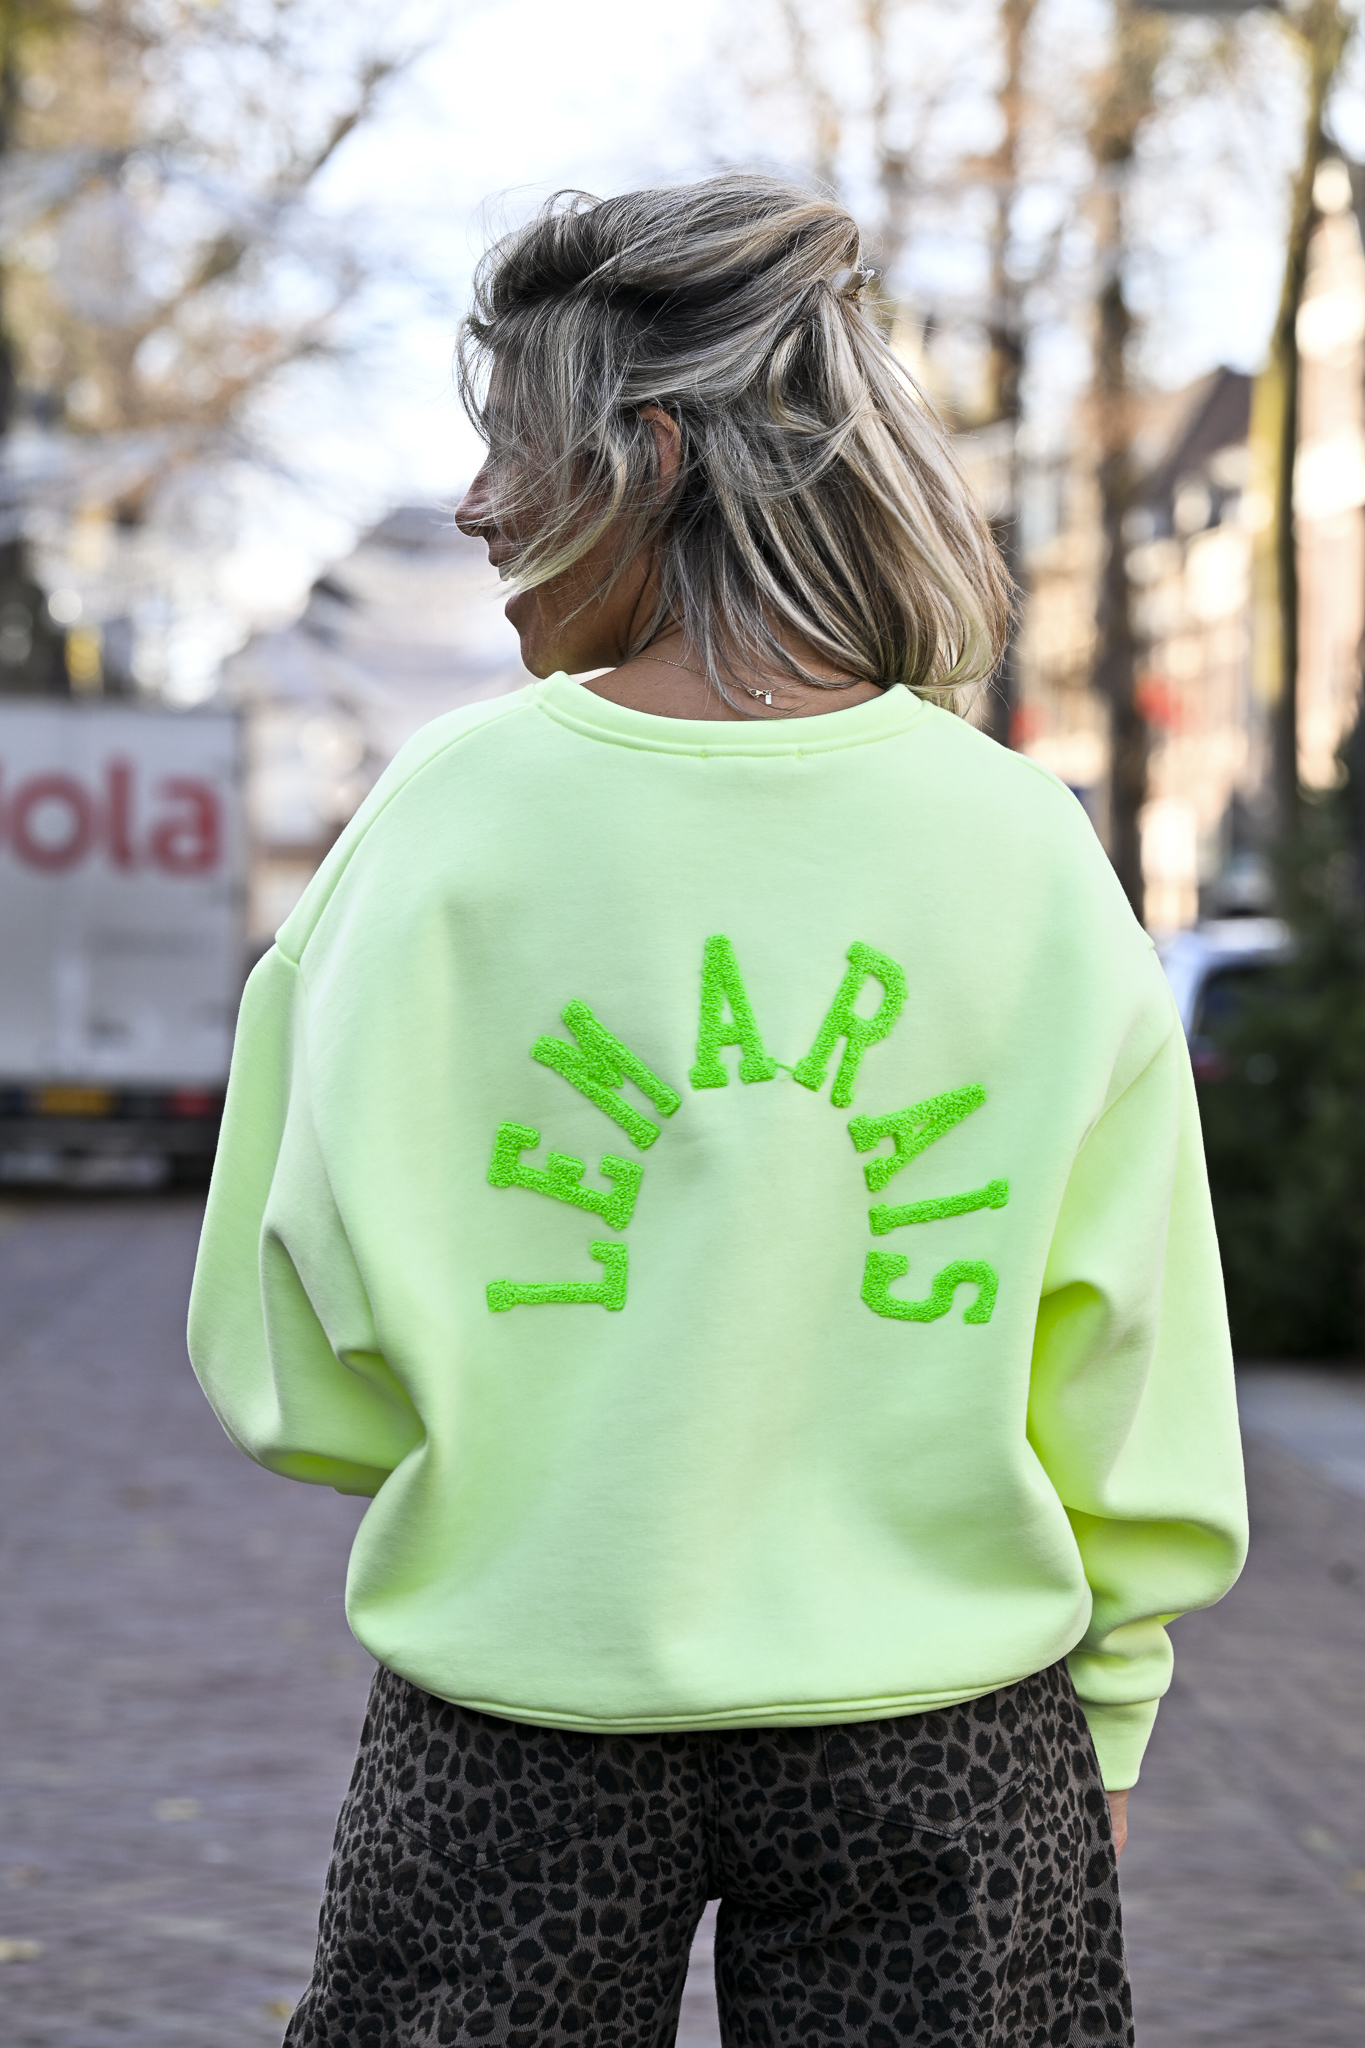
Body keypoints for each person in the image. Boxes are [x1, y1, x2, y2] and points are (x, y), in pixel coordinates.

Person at [188, 174, 1248, 2048]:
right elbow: (1128, 1329)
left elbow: (285, 1310)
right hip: (942, 1725)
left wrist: (537, 1451)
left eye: (511, 447)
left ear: (651, 457)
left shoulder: (443, 820)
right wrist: (1115, 1693)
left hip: (519, 1704)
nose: (475, 504)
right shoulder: (1017, 842)